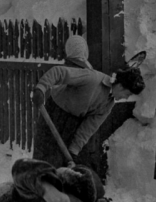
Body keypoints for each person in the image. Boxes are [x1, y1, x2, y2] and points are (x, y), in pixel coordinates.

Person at [31, 35, 145, 182]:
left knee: (65, 166)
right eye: (127, 93)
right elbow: (59, 72)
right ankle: (35, 196)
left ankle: (58, 199)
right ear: (121, 86)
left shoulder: (108, 104)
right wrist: (41, 88)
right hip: (54, 114)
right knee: (44, 161)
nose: (125, 98)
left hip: (72, 123)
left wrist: (73, 151)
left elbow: (87, 129)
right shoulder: (92, 79)